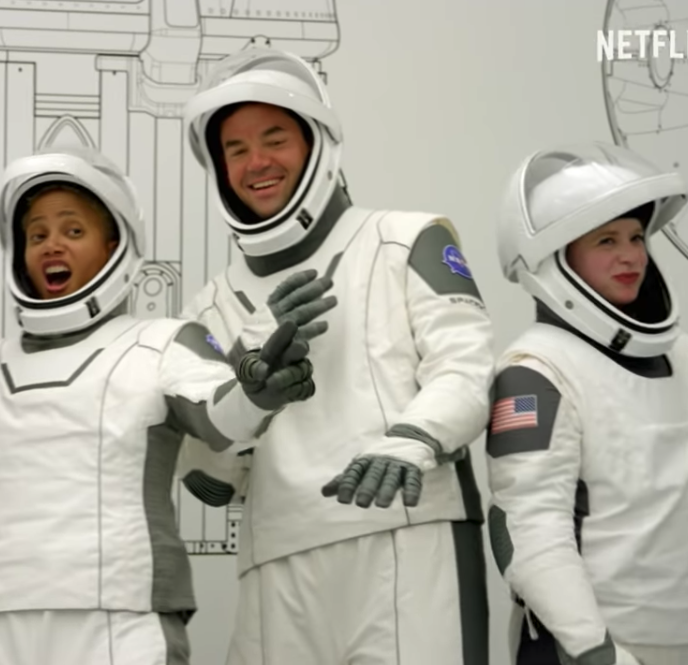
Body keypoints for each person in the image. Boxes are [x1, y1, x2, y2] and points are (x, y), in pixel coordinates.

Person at [0, 145, 319, 665]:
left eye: (73, 230)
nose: (51, 245)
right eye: (36, 235)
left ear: (115, 246)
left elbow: (222, 417)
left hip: (116, 620)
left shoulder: (161, 344)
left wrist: (256, 391)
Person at [177, 47, 494, 664]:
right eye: (235, 150)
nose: (256, 162)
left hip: (408, 533)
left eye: (275, 139)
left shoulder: (407, 239)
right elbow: (209, 484)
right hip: (276, 561)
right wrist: (247, 384)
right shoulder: (208, 309)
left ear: (318, 142)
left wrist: (411, 441)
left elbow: (467, 368)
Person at [487, 141, 688, 665]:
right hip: (579, 651)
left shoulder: (687, 359)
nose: (631, 256)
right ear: (555, 258)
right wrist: (594, 649)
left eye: (637, 236)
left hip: (680, 645)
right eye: (606, 240)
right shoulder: (536, 371)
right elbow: (528, 533)